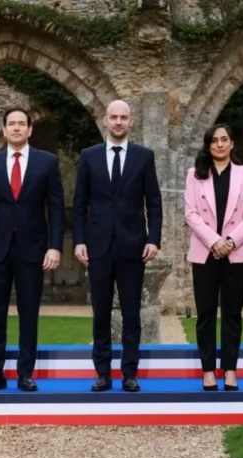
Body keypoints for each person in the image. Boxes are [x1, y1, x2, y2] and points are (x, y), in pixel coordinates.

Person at [0, 108, 64, 392]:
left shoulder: (47, 162)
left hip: (32, 249)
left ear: (30, 129)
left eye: (22, 123)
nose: (17, 128)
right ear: (4, 129)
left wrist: (55, 247)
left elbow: (56, 208)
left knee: (29, 313)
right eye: (12, 124)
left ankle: (25, 373)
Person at [72, 100, 163, 393]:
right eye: (114, 117)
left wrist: (154, 239)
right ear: (105, 120)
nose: (119, 122)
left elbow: (154, 201)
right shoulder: (89, 156)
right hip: (97, 247)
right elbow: (80, 203)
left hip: (133, 246)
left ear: (131, 121)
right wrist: (79, 240)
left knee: (131, 313)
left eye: (124, 117)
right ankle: (102, 373)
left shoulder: (144, 156)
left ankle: (129, 373)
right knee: (100, 312)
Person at [184, 124, 243, 391]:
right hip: (205, 252)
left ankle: (230, 369)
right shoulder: (195, 174)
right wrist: (214, 241)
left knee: (232, 313)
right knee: (205, 313)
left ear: (232, 143)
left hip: (235, 252)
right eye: (214, 140)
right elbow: (191, 213)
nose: (219, 144)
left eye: (224, 139)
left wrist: (230, 241)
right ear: (208, 145)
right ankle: (207, 370)